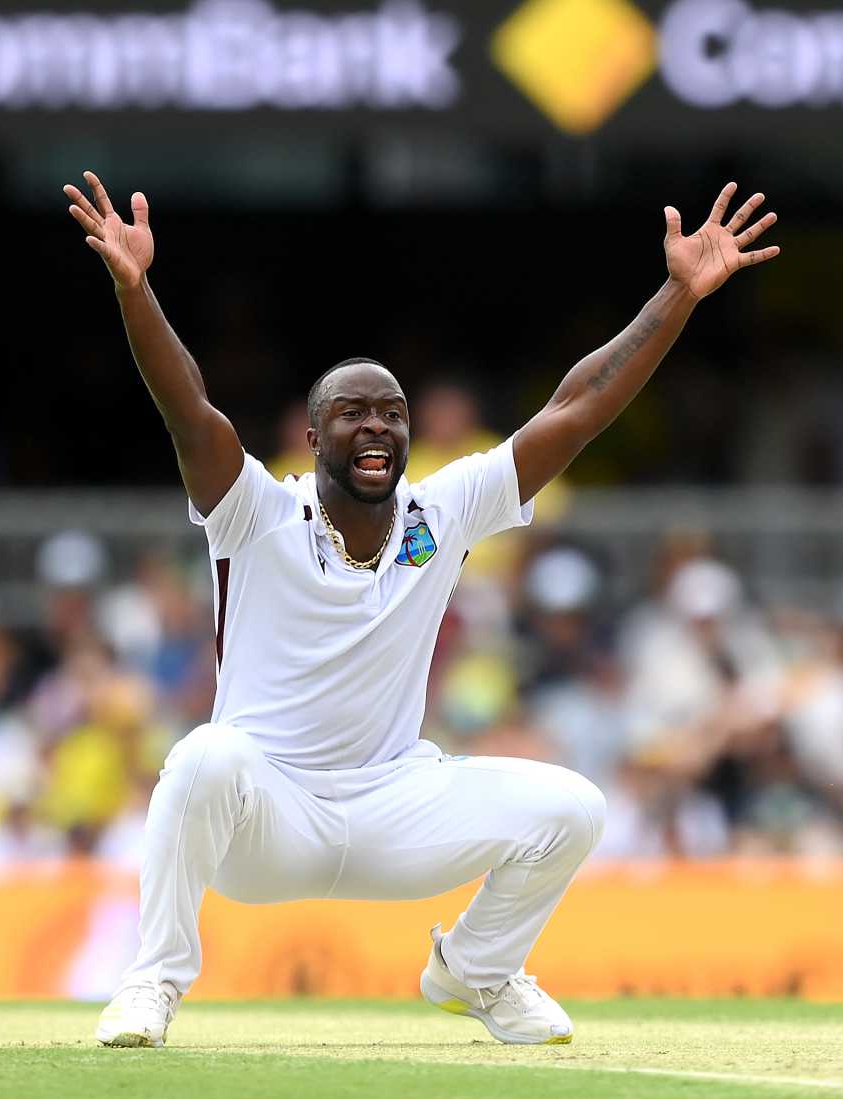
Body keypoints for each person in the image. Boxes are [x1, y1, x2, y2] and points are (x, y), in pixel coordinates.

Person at [63, 171, 779, 1048]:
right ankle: (152, 982)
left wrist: (674, 296)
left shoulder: (442, 514)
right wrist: (136, 292)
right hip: (267, 817)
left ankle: (475, 970)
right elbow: (187, 407)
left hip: (395, 807)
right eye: (353, 413)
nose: (377, 428)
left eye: (393, 414)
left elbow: (580, 407)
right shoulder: (254, 510)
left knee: (573, 807)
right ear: (315, 434)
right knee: (204, 756)